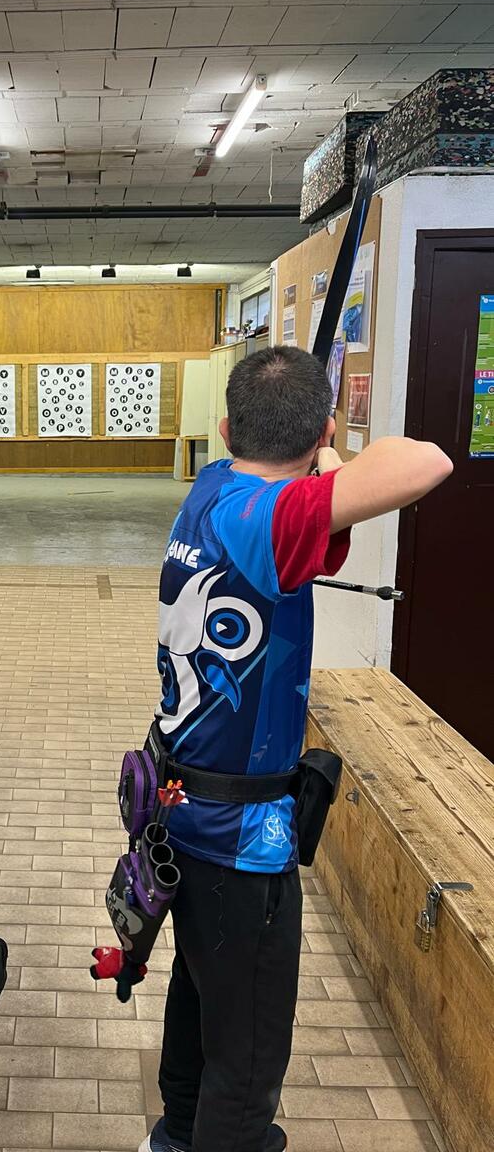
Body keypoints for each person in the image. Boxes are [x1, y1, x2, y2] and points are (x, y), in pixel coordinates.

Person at [142, 345, 452, 1152]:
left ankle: (176, 1135)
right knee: (247, 1058)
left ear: (225, 430)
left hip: (182, 807)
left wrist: (317, 457)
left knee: (202, 993)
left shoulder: (214, 489)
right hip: (240, 837)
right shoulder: (270, 521)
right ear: (318, 434)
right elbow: (426, 461)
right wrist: (330, 455)